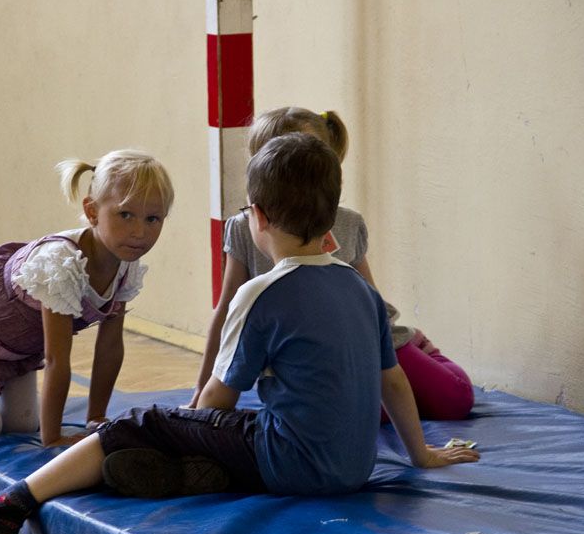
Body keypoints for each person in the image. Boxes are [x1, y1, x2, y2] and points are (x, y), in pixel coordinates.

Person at [0, 132, 480, 534]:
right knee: (204, 432)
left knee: (140, 425)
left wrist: (176, 430)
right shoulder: (359, 288)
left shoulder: (262, 292)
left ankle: (7, 508)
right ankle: (183, 471)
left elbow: (218, 400)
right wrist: (421, 454)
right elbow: (394, 378)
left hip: (293, 466)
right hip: (353, 466)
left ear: (255, 217)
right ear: (331, 214)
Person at [190, 106, 474, 422]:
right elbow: (226, 309)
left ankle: (423, 348)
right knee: (353, 412)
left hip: (360, 345)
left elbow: (371, 303)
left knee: (456, 398)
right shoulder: (245, 228)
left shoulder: (346, 223)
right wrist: (201, 387)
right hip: (303, 355)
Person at [0, 150, 174, 446]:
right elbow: (56, 359)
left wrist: (96, 417)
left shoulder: (126, 262)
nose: (140, 232)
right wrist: (52, 438)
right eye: (125, 215)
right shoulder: (61, 264)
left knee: (23, 425)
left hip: (15, 347)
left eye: (153, 219)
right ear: (92, 211)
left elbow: (110, 346)